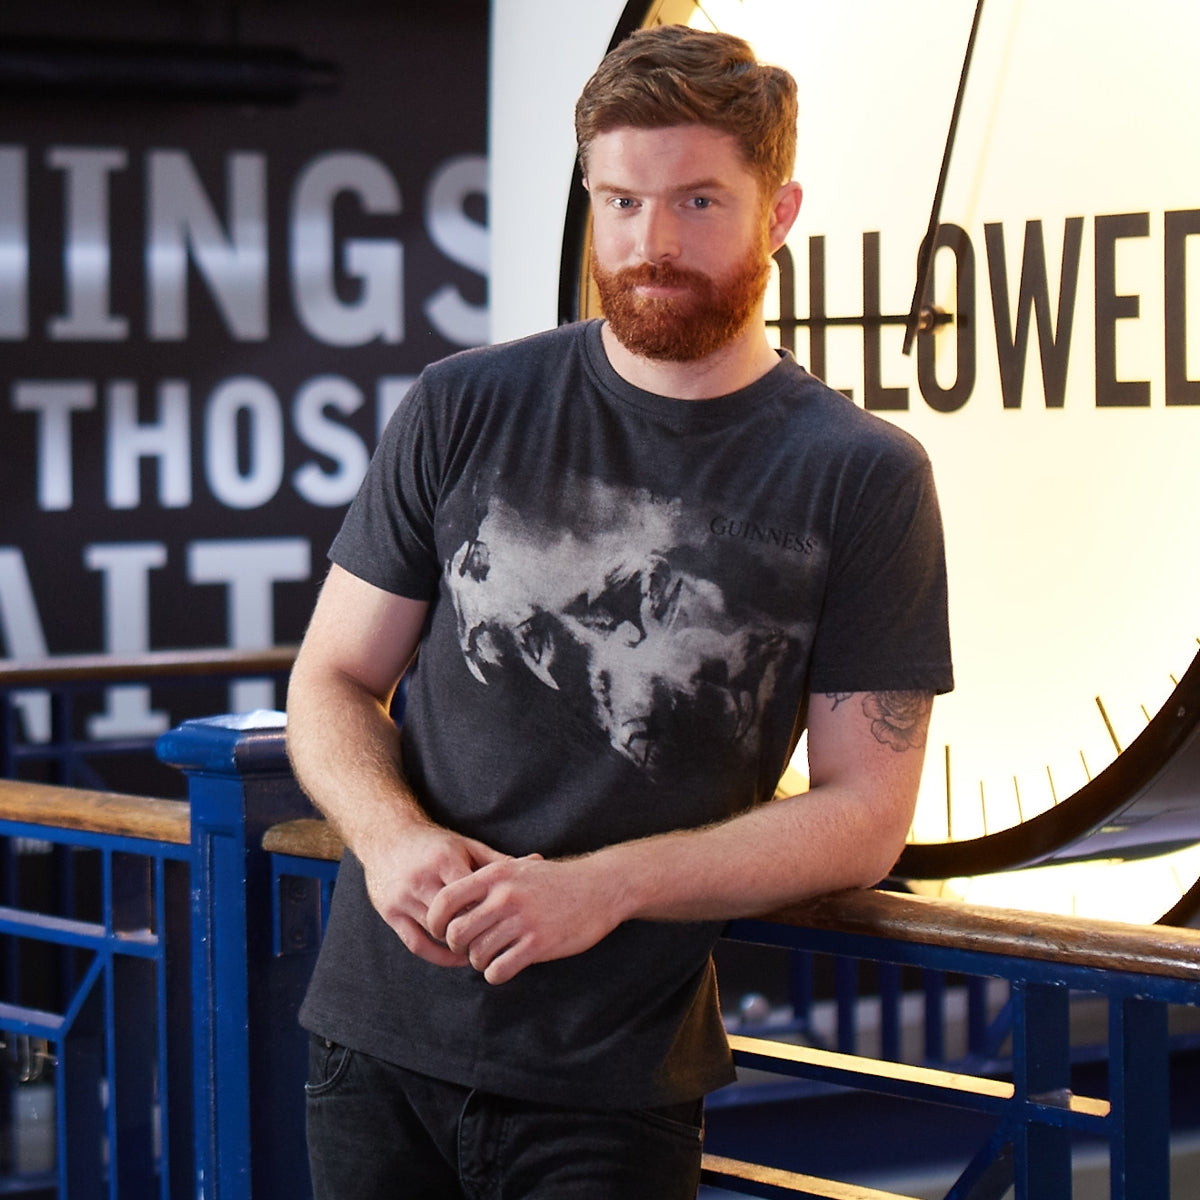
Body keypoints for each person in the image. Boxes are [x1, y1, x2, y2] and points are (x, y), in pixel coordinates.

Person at [286, 22, 953, 1200]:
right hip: (374, 1039)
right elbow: (333, 679)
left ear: (779, 210)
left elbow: (864, 815)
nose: (652, 245)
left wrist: (604, 887)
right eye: (622, 203)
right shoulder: (462, 404)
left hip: (612, 1083)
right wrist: (388, 838)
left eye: (698, 201)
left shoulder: (861, 474)